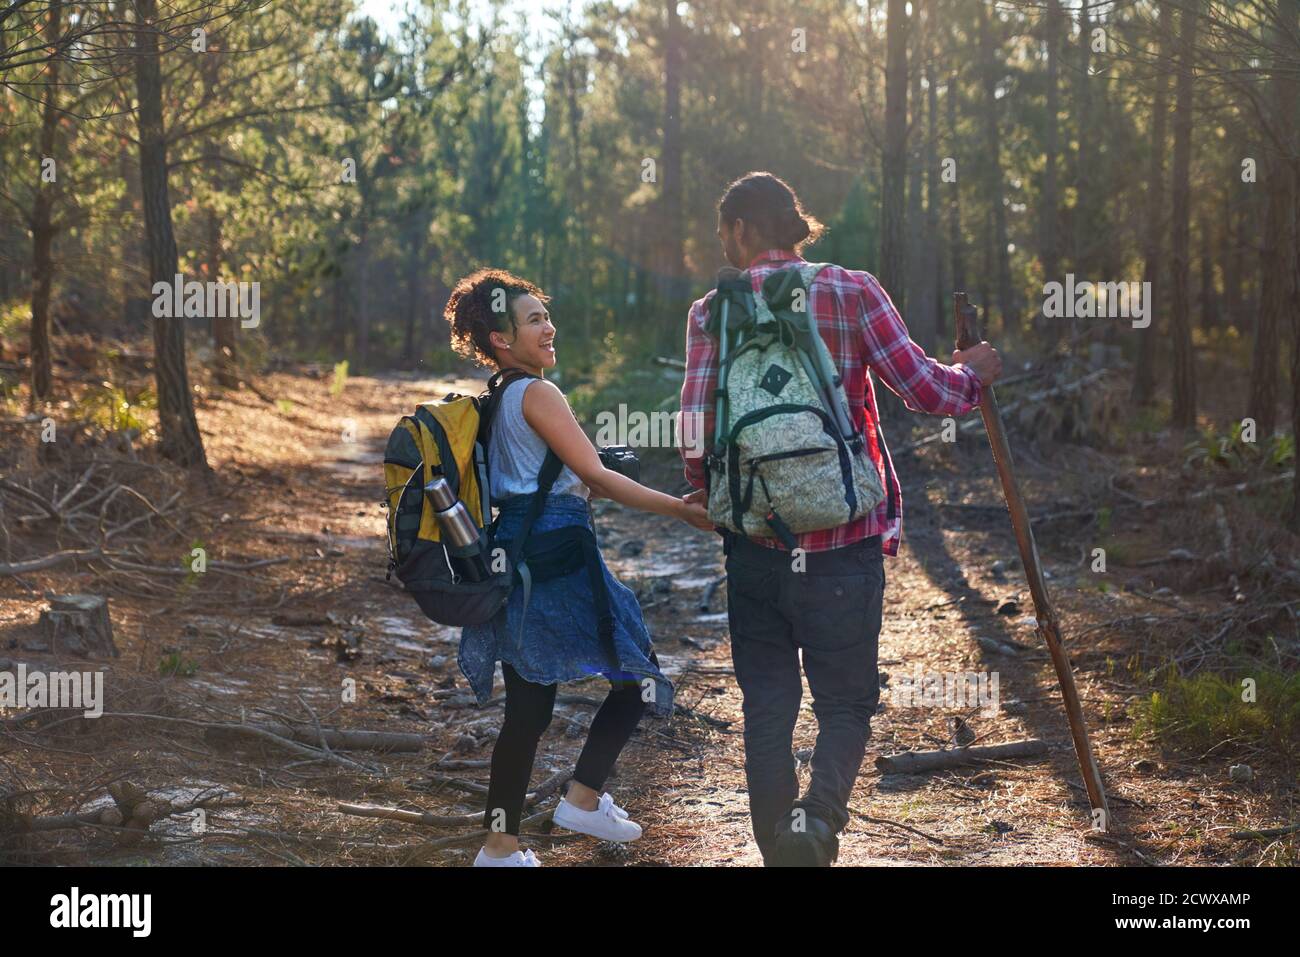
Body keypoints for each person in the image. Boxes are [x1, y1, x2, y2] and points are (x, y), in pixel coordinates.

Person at [678, 172, 1003, 866]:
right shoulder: (852, 288)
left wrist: (712, 497)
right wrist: (973, 373)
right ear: (795, 225)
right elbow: (924, 389)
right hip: (843, 543)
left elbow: (695, 429)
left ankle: (779, 850)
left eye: (723, 233)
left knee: (767, 703)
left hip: (754, 545)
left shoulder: (711, 311)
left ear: (740, 228)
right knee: (845, 703)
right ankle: (816, 823)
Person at [446, 267, 713, 868]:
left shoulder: (496, 400)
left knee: (528, 712)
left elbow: (538, 484)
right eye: (534, 319)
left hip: (515, 557)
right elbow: (594, 475)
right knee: (638, 675)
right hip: (559, 559)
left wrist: (581, 483)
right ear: (501, 339)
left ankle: (499, 849)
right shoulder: (539, 393)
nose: (549, 326)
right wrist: (679, 508)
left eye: (546, 314)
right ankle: (583, 798)